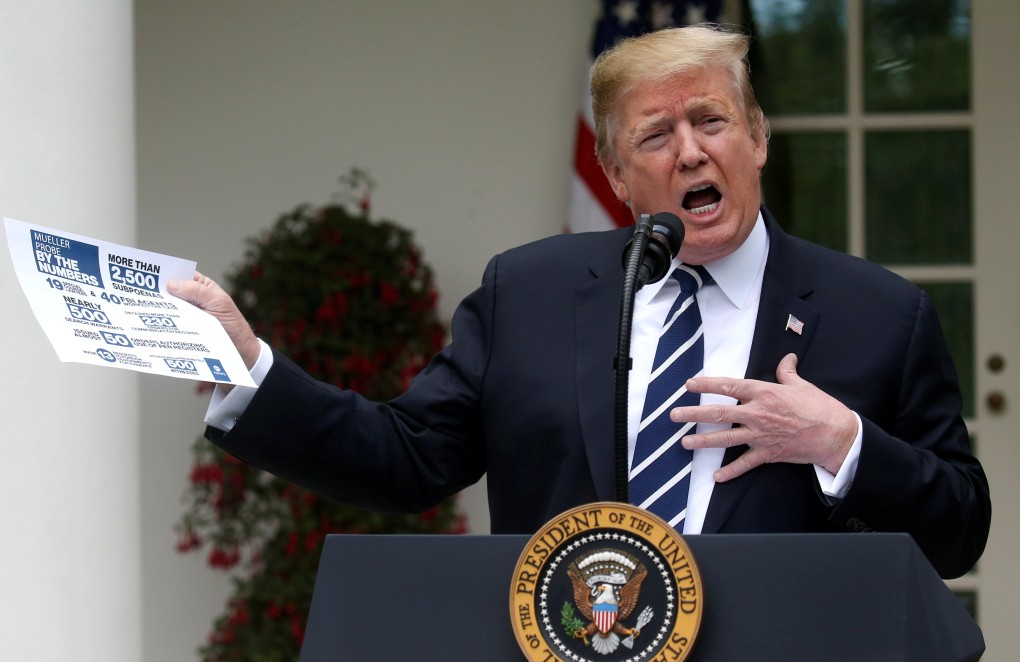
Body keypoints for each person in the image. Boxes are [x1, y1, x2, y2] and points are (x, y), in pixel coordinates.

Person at [169, 24, 989, 579]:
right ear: (615, 176)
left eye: (713, 120)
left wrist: (841, 443)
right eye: (656, 136)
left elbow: (960, 530)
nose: (693, 151)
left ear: (758, 137)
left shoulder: (881, 313)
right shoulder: (528, 292)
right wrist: (252, 373)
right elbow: (410, 457)